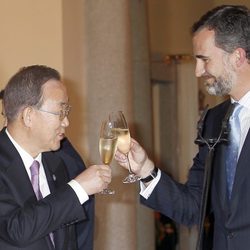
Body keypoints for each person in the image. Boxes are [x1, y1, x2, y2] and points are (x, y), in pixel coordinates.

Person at [115, 5, 250, 250]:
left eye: (204, 60)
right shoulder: (213, 122)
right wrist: (145, 169)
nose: (198, 71)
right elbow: (192, 207)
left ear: (237, 57)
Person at [0, 65, 111, 250]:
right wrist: (77, 189)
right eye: (60, 112)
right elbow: (16, 230)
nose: (66, 122)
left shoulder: (59, 162)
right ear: (28, 116)